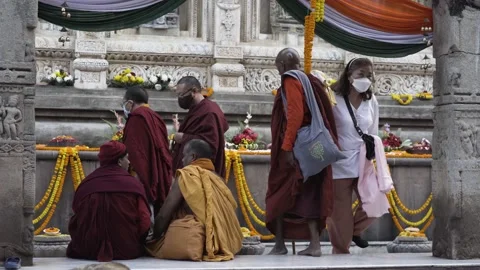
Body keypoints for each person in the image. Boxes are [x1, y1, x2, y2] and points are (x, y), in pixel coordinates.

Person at [266, 48, 339, 257]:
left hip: (295, 148)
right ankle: (305, 243)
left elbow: (295, 115)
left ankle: (286, 244)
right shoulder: (311, 80)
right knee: (309, 193)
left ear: (281, 66)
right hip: (311, 146)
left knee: (280, 193)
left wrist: (287, 147)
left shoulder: (290, 80)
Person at [147, 139, 243, 261]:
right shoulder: (218, 179)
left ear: (193, 157)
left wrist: (155, 236)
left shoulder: (187, 175)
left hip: (195, 241)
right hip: (227, 243)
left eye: (184, 156)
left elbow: (164, 214)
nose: (182, 160)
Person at [326, 57, 380, 254]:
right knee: (340, 212)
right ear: (349, 77)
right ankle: (341, 250)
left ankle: (354, 231)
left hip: (363, 160)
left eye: (368, 75)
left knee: (375, 200)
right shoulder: (333, 97)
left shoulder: (371, 100)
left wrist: (374, 157)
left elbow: (373, 131)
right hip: (339, 161)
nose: (365, 79)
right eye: (360, 75)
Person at [67, 141, 151, 262]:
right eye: (127, 158)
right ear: (119, 161)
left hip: (87, 249)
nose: (129, 162)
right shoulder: (134, 185)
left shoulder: (86, 184)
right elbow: (145, 222)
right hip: (127, 249)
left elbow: (76, 219)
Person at [122, 86, 172, 215]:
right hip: (158, 169)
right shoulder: (156, 117)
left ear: (130, 102)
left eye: (125, 102)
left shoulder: (136, 118)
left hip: (142, 172)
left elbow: (135, 151)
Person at [172, 76, 229, 178]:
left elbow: (210, 144)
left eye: (181, 94)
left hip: (200, 173)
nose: (180, 98)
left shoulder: (209, 111)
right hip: (190, 169)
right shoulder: (197, 108)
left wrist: (184, 137)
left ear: (194, 91)